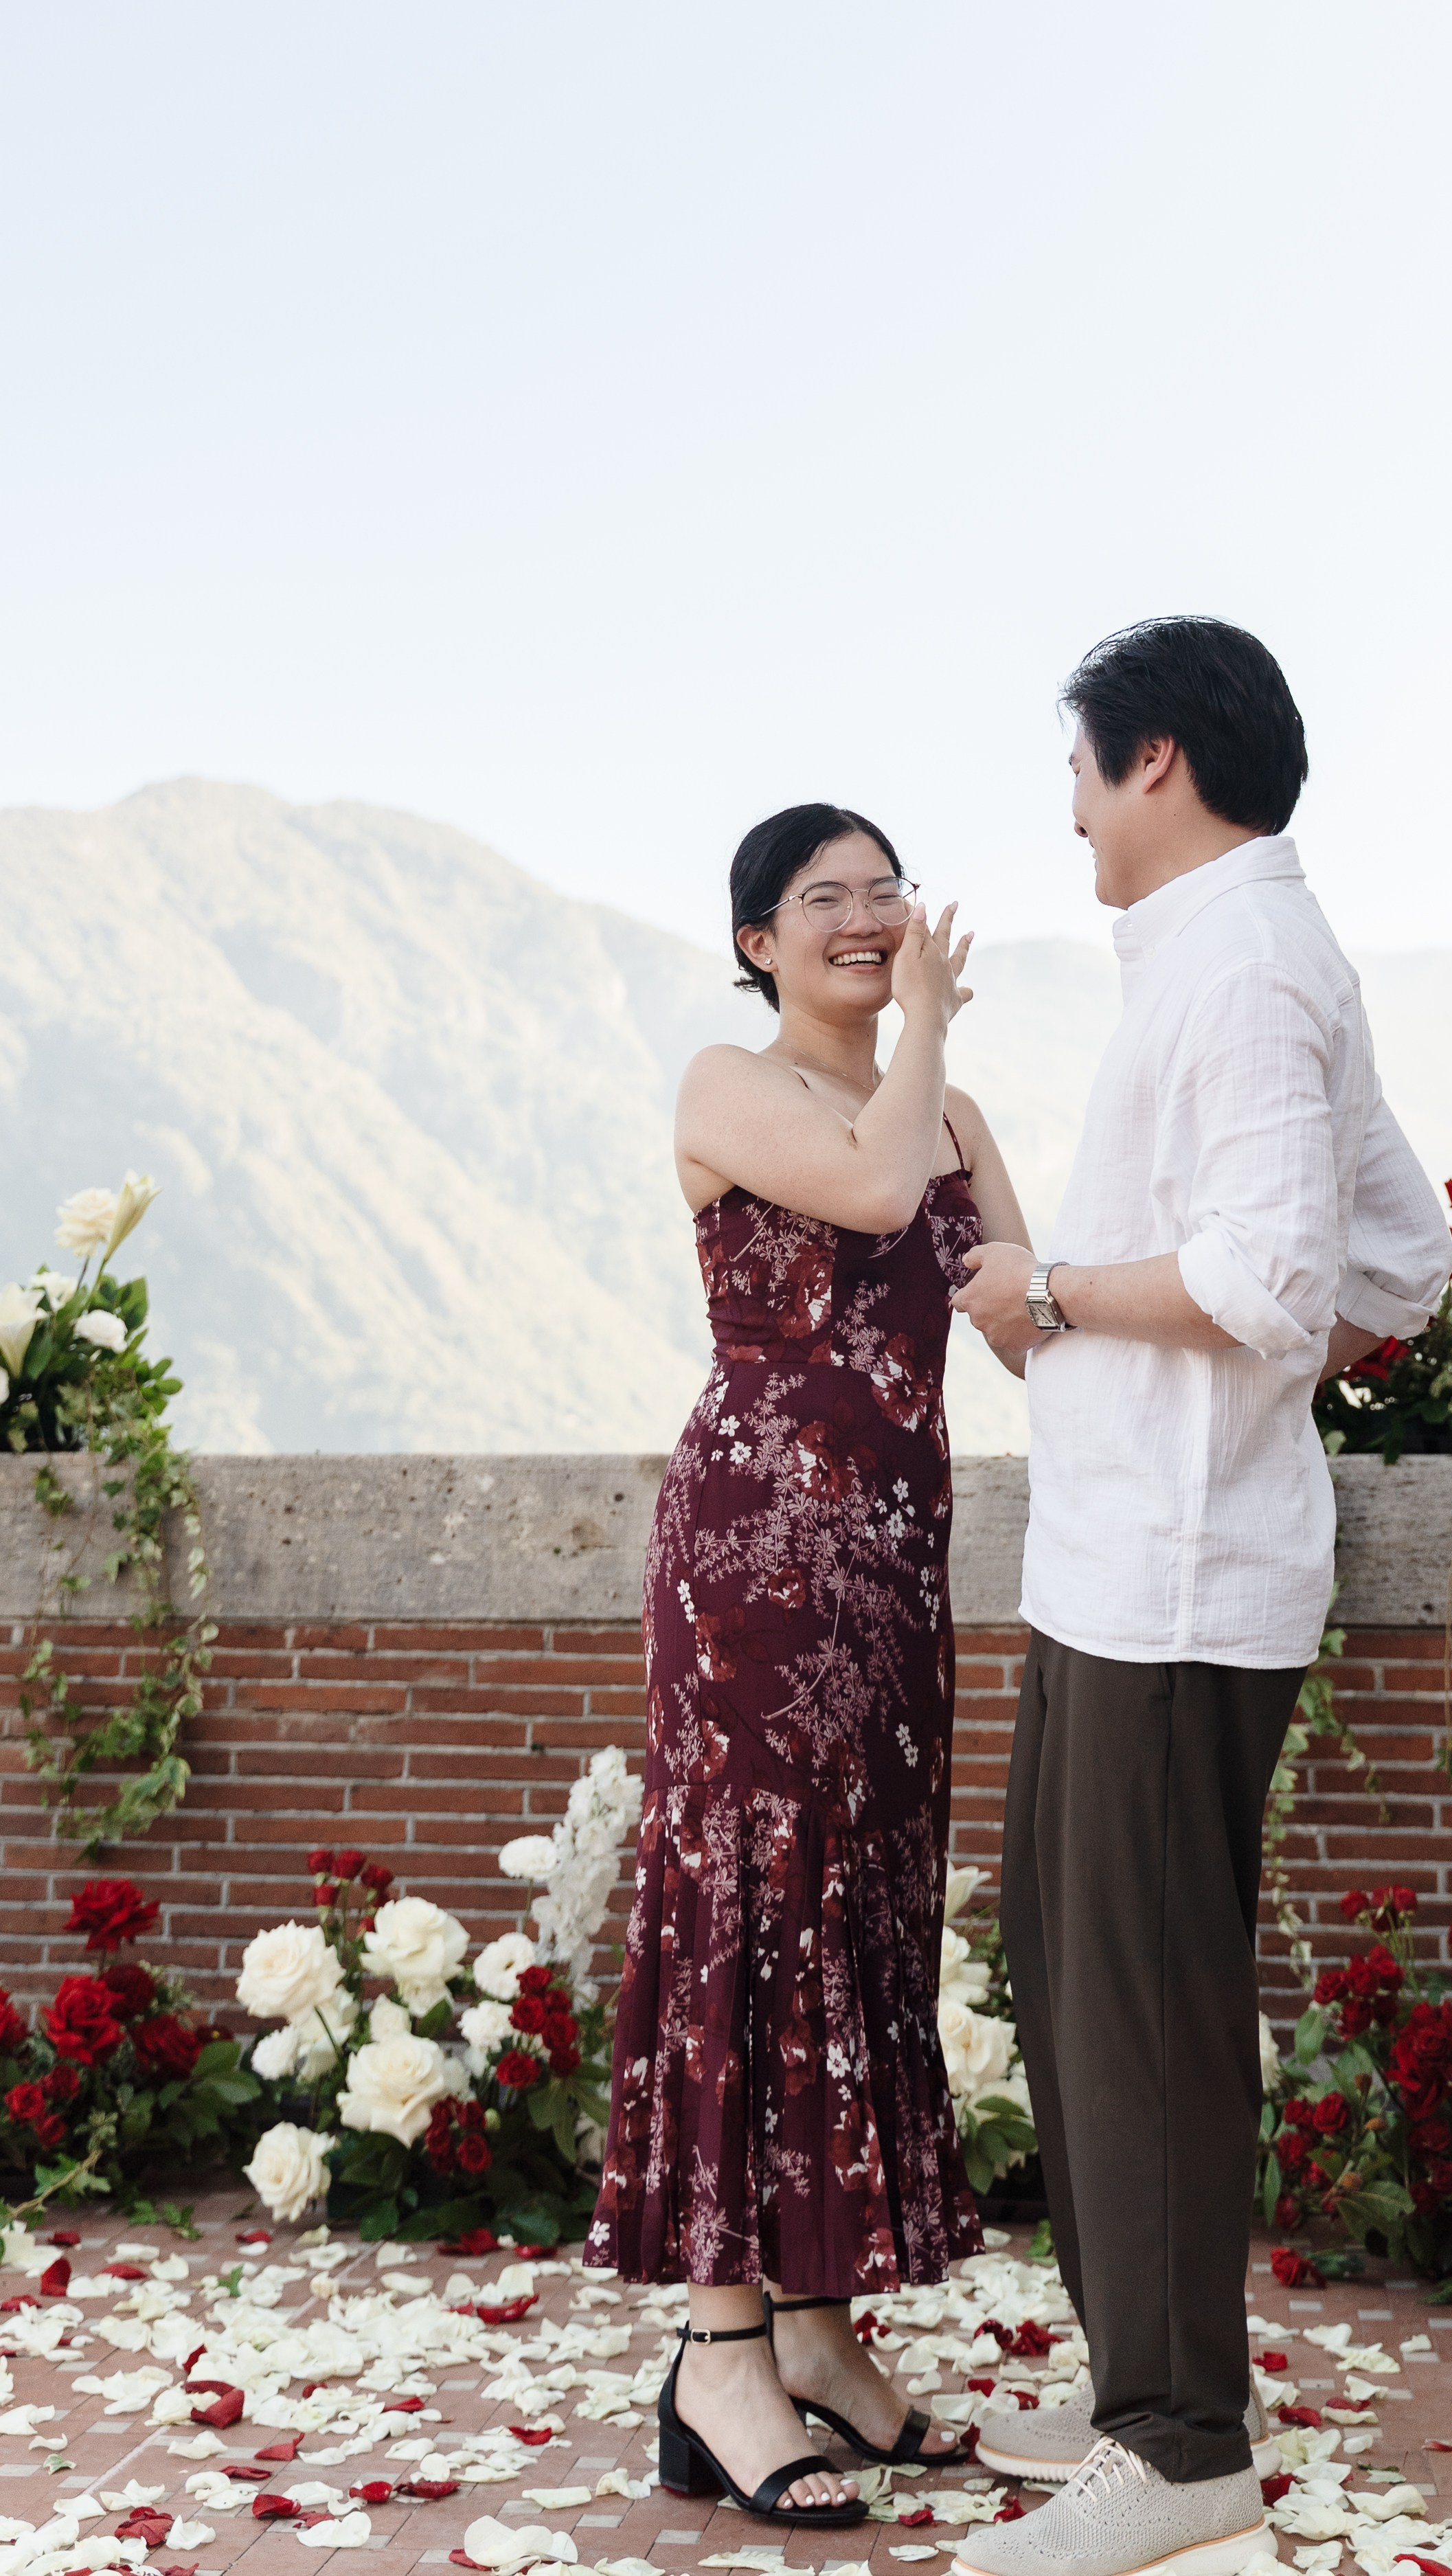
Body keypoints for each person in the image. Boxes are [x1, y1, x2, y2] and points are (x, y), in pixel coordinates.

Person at [949, 619, 1452, 2576]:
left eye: (1076, 769)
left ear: (1153, 759)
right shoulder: (1242, 948)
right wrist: (1141, 1337)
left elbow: (1268, 1276)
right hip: (1120, 1554)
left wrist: (1064, 1297)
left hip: (1174, 1575)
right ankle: (1128, 2391)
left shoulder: (1242, 962)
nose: (1066, 810)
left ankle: (1180, 2445)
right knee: (1070, 1971)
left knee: (1141, 2011)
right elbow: (1392, 1257)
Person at [586, 802, 1034, 2527]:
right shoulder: (729, 1083)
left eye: (882, 891)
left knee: (860, 1910)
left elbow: (1016, 1304)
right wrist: (922, 1021)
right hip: (752, 1559)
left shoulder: (956, 1109)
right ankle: (717, 2351)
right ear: (759, 941)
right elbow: (863, 1187)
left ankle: (821, 2336)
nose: (863, 917)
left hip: (897, 1564)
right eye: (820, 900)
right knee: (750, 1913)